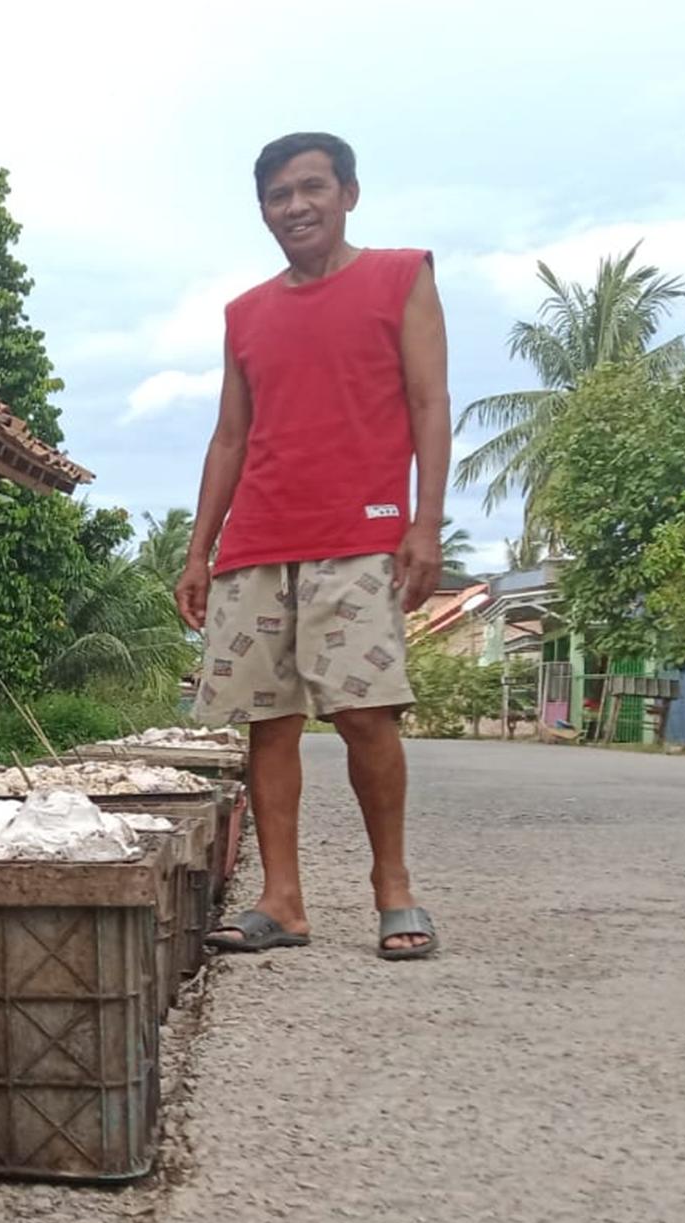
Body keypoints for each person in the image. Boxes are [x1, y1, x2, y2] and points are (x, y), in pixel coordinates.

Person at [175, 130, 446, 960]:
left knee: (366, 715)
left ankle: (392, 886)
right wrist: (198, 551)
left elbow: (431, 402)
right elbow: (229, 437)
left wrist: (424, 524)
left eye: (311, 188)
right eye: (278, 196)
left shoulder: (401, 277)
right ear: (263, 210)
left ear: (348, 194)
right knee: (268, 721)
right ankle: (282, 900)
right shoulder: (245, 314)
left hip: (357, 537)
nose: (295, 206)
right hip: (258, 541)